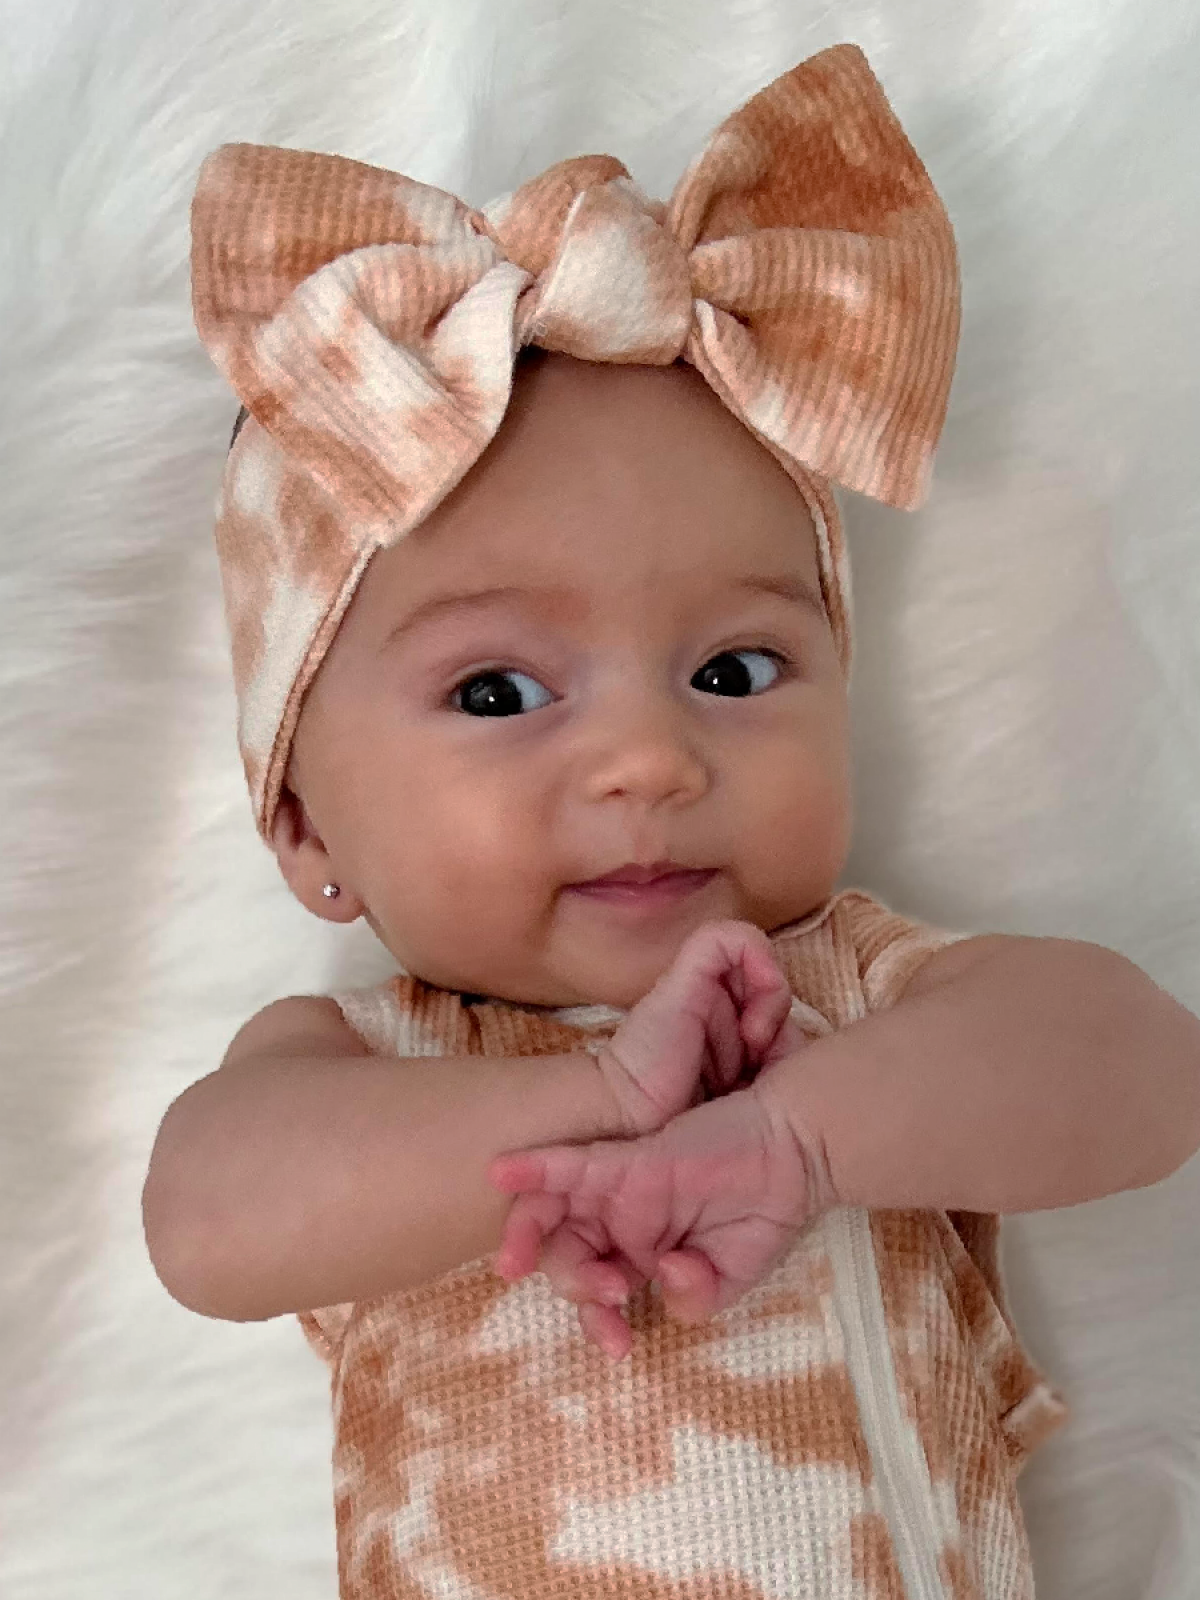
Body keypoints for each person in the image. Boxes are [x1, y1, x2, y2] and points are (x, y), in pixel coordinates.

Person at [143, 43, 1200, 1600]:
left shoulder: (853, 1000)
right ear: (306, 829)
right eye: (498, 692)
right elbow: (203, 1222)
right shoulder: (367, 1066)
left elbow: (1147, 1070)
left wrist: (802, 1135)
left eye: (732, 671)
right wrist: (582, 1102)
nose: (649, 758)